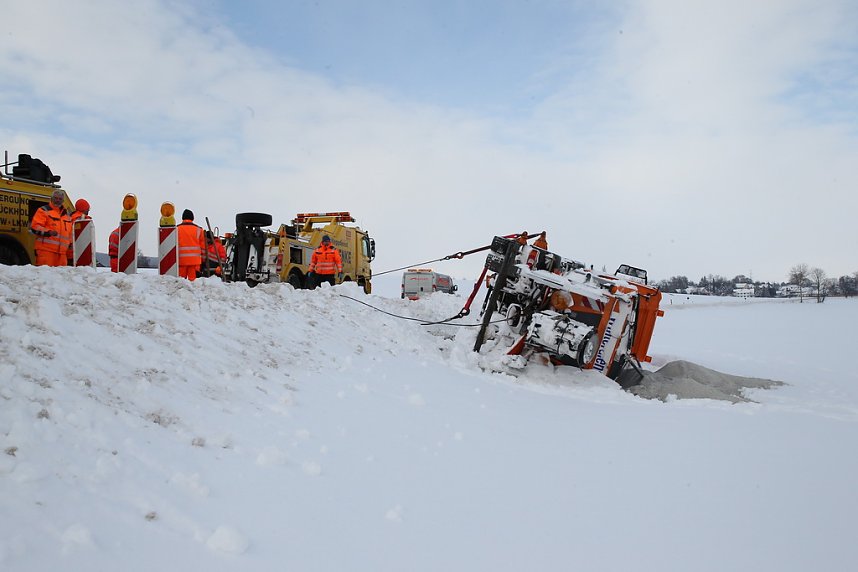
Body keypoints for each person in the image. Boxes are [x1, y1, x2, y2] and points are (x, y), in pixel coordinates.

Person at [29, 189, 72, 267]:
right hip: (46, 251)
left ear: (63, 201)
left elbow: (70, 234)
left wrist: (71, 245)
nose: (57, 200)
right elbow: (35, 226)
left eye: (60, 199)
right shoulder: (43, 210)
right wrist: (48, 232)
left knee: (61, 274)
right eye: (56, 198)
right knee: (45, 273)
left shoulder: (67, 215)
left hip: (62, 254)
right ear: (51, 198)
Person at [177, 209, 206, 281]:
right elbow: (203, 248)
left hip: (181, 261)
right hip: (195, 262)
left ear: (182, 218)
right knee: (193, 282)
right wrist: (203, 260)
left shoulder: (176, 229)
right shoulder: (199, 230)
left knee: (180, 282)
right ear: (192, 218)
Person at [67, 198, 91, 265]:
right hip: (79, 252)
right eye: (87, 209)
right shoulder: (83, 219)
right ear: (84, 209)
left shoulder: (70, 218)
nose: (88, 210)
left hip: (69, 251)